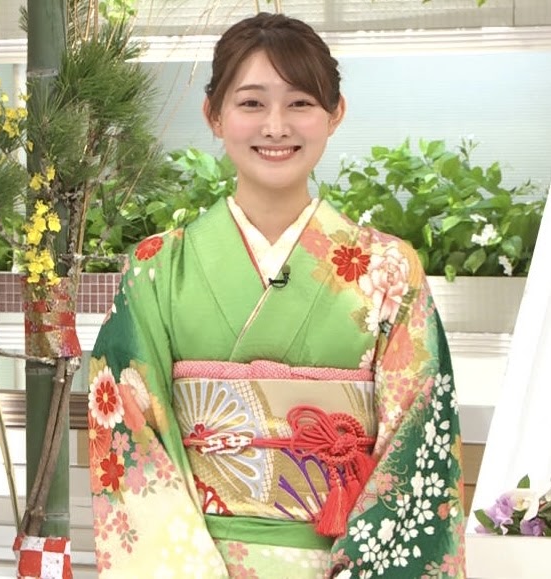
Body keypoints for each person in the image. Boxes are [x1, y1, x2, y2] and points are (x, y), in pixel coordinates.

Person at [86, 11, 465, 579]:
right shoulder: (157, 269)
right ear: (214, 115)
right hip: (197, 560)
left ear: (335, 114)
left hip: (342, 560)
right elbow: (128, 435)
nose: (276, 126)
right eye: (251, 103)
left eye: (300, 103)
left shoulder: (390, 270)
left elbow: (419, 443)